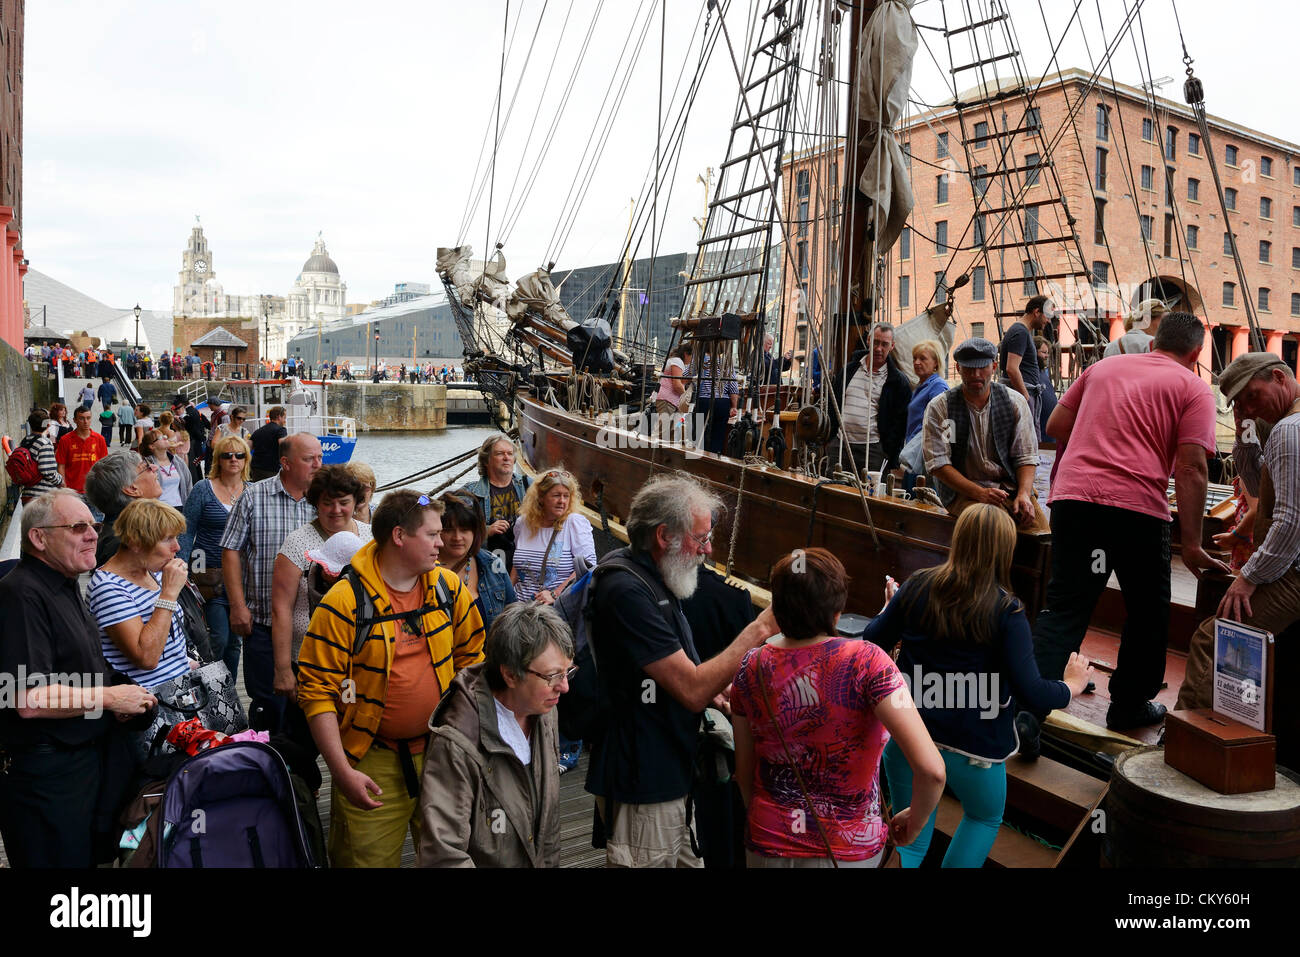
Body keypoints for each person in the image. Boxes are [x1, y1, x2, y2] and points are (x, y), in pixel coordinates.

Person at [1027, 311, 1226, 739]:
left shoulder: (1101, 367)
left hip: (1076, 501)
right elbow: (1192, 469)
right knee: (1147, 613)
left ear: (1153, 343)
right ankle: (1129, 707)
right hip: (1136, 512)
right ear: (1195, 354)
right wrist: (1191, 546)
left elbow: (1056, 425)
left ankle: (1029, 710)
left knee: (1065, 608)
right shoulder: (1193, 388)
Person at [867, 507, 1091, 867]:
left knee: (911, 838)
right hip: (975, 751)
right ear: (1005, 550)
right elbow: (1032, 692)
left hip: (911, 739)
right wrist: (1071, 686)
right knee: (983, 817)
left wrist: (889, 607)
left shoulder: (917, 584)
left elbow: (872, 640)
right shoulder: (1007, 610)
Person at [585, 472, 781, 868]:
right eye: (701, 538)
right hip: (644, 778)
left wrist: (714, 692)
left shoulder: (655, 579)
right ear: (663, 536)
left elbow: (674, 676)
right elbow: (689, 689)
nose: (707, 550)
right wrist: (759, 630)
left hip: (671, 769)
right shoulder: (626, 590)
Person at [297, 490, 486, 868]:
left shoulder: (448, 589)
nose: (443, 542)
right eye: (432, 534)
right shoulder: (344, 603)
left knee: (453, 857)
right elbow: (317, 693)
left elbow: (473, 662)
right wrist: (342, 772)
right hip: (372, 759)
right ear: (399, 536)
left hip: (443, 752)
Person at [731, 547, 946, 868]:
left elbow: (744, 773)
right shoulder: (868, 661)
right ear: (837, 610)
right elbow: (932, 771)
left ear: (778, 607)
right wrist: (914, 824)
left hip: (767, 844)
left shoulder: (751, 666)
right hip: (846, 850)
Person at [0, 491, 157, 867]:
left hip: (83, 764)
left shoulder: (67, 583)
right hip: (45, 776)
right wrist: (110, 698)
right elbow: (27, 698)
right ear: (39, 538)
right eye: (78, 527)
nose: (92, 535)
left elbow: (80, 669)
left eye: (94, 526)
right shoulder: (20, 594)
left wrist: (124, 697)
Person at [1177, 354, 1300, 746]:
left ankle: (1183, 742)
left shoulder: (1287, 433)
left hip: (1291, 575)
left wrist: (1248, 577)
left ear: (1279, 377)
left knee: (1212, 640)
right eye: (1239, 405)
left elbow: (1289, 523)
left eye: (1251, 396)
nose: (1246, 410)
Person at [417, 602, 571, 867]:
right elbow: (443, 855)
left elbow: (548, 828)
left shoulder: (544, 709)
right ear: (510, 675)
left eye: (568, 672)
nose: (565, 687)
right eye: (552, 676)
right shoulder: (457, 743)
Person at [221, 432, 321, 731]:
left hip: (314, 626)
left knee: (312, 707)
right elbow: (230, 550)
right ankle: (267, 767)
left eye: (320, 457)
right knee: (268, 704)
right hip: (263, 620)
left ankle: (300, 772)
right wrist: (237, 605)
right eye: (309, 459)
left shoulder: (326, 502)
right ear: (286, 463)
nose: (318, 464)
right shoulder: (254, 496)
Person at [921, 337, 1046, 531]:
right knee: (994, 526)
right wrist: (979, 493)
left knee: (1041, 532)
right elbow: (939, 464)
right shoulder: (943, 408)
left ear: (994, 366)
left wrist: (1023, 493)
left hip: (1010, 488)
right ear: (958, 368)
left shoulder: (1014, 403)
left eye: (982, 368)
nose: (976, 375)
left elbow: (1026, 457)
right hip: (963, 492)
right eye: (969, 369)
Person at [270, 466, 373, 700]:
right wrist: (283, 670)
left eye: (343, 502)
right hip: (311, 656)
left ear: (356, 502)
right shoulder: (297, 543)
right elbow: (281, 609)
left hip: (363, 660)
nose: (336, 510)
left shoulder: (372, 537)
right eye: (328, 503)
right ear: (316, 503)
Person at [88, 499, 193, 691]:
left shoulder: (153, 570)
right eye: (167, 538)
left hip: (183, 691)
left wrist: (183, 660)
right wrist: (168, 594)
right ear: (135, 542)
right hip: (153, 705)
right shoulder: (108, 588)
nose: (177, 547)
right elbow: (146, 657)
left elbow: (165, 636)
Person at [179, 434, 251, 682]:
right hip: (209, 572)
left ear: (245, 460)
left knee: (235, 641)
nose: (233, 459)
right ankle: (211, 683)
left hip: (242, 577)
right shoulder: (203, 489)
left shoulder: (251, 491)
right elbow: (188, 529)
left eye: (239, 455)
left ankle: (227, 686)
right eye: (227, 455)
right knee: (218, 636)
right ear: (218, 459)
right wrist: (183, 567)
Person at [830, 322, 911, 474]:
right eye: (875, 342)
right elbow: (832, 403)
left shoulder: (898, 382)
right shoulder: (849, 370)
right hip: (840, 445)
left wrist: (887, 451)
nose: (879, 348)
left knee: (869, 495)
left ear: (892, 346)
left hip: (873, 450)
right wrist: (831, 438)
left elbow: (901, 423)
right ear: (868, 340)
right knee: (832, 491)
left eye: (884, 344)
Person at [510, 468, 596, 605]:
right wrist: (508, 597)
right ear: (541, 497)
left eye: (566, 496)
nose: (562, 501)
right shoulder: (523, 523)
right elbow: (517, 563)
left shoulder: (574, 523)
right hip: (518, 608)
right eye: (556, 495)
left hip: (554, 611)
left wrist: (555, 594)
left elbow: (588, 567)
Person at [439, 491, 516, 633]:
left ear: (476, 532)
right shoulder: (424, 571)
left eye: (465, 530)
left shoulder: (492, 564)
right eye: (449, 530)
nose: (457, 537)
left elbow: (513, 616)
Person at [84, 450, 164, 567]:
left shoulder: (134, 530)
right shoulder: (125, 543)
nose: (154, 467)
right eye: (146, 466)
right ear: (132, 489)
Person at [463, 433, 530, 568]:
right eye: (500, 454)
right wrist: (486, 531)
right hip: (487, 563)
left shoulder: (528, 485)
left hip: (523, 563)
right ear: (487, 460)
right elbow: (446, 519)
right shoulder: (471, 492)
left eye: (510, 454)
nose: (506, 458)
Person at [998, 295, 1051, 426]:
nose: (1049, 321)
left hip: (1022, 396)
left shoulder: (1022, 331)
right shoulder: (1020, 332)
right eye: (1047, 315)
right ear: (1037, 312)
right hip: (1021, 398)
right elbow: (1012, 368)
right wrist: (1026, 398)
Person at [688, 351, 739, 456]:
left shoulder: (699, 360)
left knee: (697, 433)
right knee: (718, 435)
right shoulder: (727, 362)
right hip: (722, 402)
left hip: (703, 401)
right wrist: (734, 406)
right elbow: (733, 387)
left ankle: (696, 457)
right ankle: (713, 457)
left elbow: (685, 376)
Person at [55, 406, 108, 495]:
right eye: (81, 418)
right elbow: (61, 466)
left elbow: (104, 466)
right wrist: (64, 488)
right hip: (72, 491)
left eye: (88, 418)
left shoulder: (100, 439)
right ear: (75, 420)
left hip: (94, 492)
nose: (86, 422)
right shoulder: (65, 440)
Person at [15, 409, 64, 505]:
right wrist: (60, 481)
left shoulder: (25, 441)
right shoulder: (44, 442)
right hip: (42, 497)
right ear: (48, 425)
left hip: (27, 494)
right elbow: (48, 471)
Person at [905, 338, 949, 443]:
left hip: (925, 450)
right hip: (914, 446)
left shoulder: (938, 386)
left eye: (923, 359)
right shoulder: (920, 387)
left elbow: (945, 424)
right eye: (914, 358)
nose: (916, 362)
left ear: (936, 363)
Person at [139, 428, 191, 508]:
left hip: (180, 508)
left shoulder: (178, 462)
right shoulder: (147, 465)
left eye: (164, 436)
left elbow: (188, 485)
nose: (165, 438)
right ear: (152, 446)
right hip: (159, 509)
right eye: (160, 438)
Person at [653, 346, 689, 439]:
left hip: (668, 400)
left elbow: (675, 380)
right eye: (692, 356)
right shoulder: (677, 361)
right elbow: (677, 384)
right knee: (662, 431)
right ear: (686, 354)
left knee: (668, 430)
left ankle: (658, 451)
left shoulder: (674, 360)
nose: (692, 360)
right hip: (668, 399)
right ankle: (652, 451)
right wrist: (686, 397)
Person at [249, 405, 288, 481]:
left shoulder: (258, 431)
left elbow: (247, 447)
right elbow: (283, 447)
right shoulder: (281, 430)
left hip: (256, 469)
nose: (284, 421)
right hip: (271, 470)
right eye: (284, 418)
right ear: (279, 417)